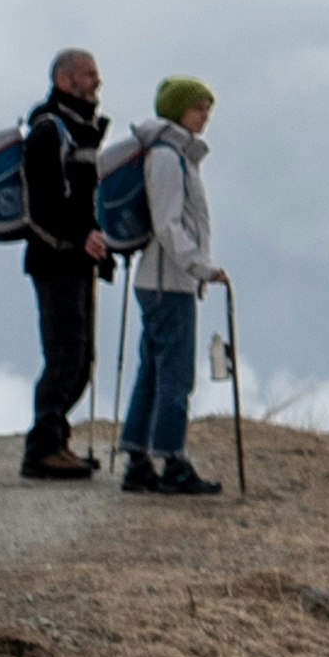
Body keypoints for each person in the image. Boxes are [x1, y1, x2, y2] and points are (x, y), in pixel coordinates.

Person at [116, 74, 222, 498]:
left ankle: (140, 459)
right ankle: (172, 462)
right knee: (175, 376)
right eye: (198, 107)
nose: (205, 116)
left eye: (207, 108)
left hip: (160, 281)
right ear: (177, 110)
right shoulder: (167, 156)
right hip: (168, 282)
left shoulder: (175, 153)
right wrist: (202, 267)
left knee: (153, 372)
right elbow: (168, 223)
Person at [14, 47, 114, 481]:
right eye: (88, 75)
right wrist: (78, 239)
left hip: (75, 261)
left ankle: (56, 442)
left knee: (81, 357)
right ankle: (42, 450)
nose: (97, 82)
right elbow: (42, 206)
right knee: (65, 356)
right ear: (64, 80)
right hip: (54, 261)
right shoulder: (48, 131)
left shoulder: (80, 130)